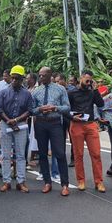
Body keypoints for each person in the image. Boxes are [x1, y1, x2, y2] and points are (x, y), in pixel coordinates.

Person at [31, 66, 71, 196]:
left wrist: (55, 108)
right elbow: (31, 109)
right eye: (40, 75)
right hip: (41, 124)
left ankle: (65, 184)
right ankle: (47, 182)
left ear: (50, 75)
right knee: (42, 154)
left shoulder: (60, 89)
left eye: (43, 75)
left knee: (60, 153)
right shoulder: (36, 91)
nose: (41, 77)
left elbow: (67, 107)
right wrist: (40, 109)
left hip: (55, 124)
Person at [67, 70, 105, 192]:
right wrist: (72, 117)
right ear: (81, 78)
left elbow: (100, 104)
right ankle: (81, 181)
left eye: (90, 81)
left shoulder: (92, 92)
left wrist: (95, 89)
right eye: (87, 80)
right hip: (77, 125)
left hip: (91, 125)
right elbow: (65, 109)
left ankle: (99, 182)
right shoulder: (71, 92)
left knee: (96, 154)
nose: (88, 83)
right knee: (78, 154)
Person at [0, 65, 32, 193]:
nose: (14, 81)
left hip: (21, 125)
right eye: (12, 78)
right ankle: (6, 181)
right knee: (5, 155)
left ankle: (21, 181)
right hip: (6, 124)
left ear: (22, 79)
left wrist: (16, 121)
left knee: (21, 155)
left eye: (17, 78)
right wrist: (9, 121)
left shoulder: (27, 94)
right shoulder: (3, 92)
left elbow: (29, 110)